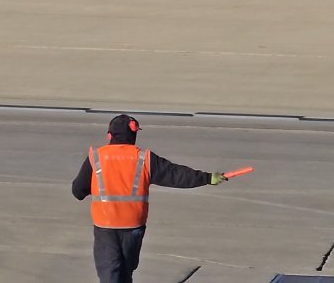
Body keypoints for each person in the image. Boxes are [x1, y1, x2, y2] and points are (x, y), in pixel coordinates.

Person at [72, 113, 227, 283]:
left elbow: (78, 191)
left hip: (106, 227)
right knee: (125, 274)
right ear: (134, 135)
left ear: (109, 135)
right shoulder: (143, 158)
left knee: (110, 274)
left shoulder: (96, 157)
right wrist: (207, 178)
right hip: (133, 228)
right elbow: (176, 174)